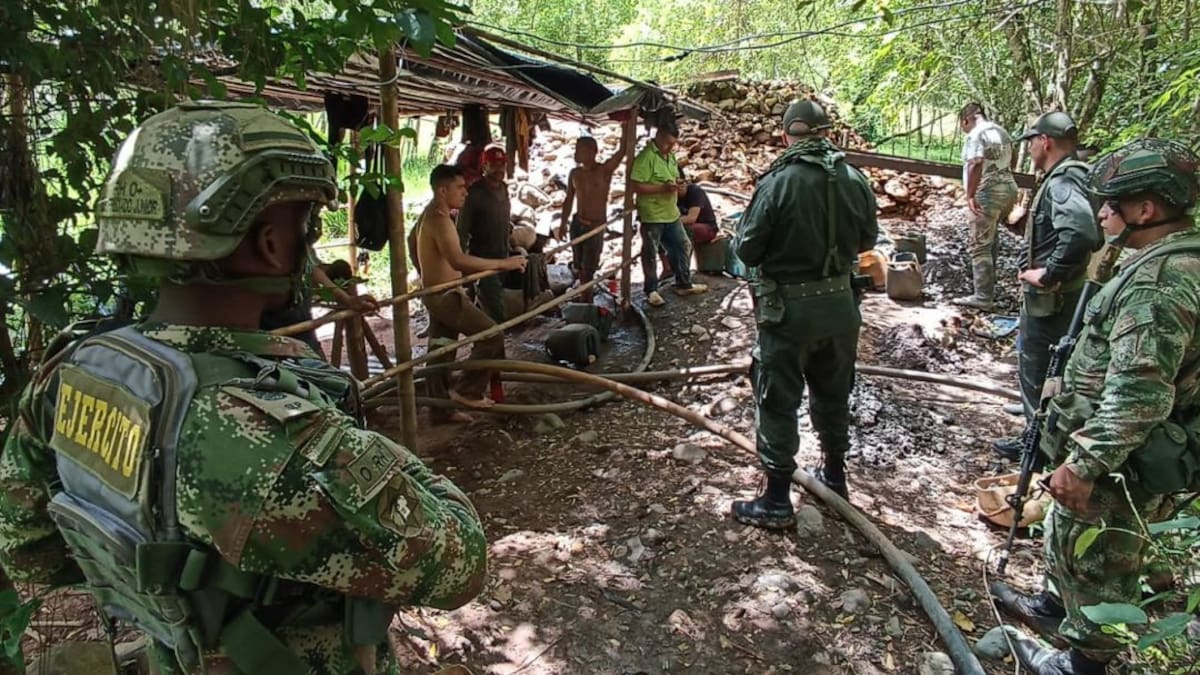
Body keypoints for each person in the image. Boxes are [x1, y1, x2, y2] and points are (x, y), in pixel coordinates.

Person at [0, 102, 487, 674]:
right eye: (304, 224)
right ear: (272, 245)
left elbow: (28, 543)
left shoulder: (77, 369)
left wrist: (178, 574)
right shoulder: (265, 436)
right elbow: (459, 560)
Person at [989, 138, 1200, 675]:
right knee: (1067, 535)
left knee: (1100, 557)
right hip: (1101, 440)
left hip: (1120, 458)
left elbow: (1141, 391)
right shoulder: (1158, 262)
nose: (1102, 213)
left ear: (1146, 210)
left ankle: (1080, 664)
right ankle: (1053, 607)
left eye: (1112, 204)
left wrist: (1084, 462)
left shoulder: (1159, 284)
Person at [730, 100, 879, 529]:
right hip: (841, 308)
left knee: (778, 398)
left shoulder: (778, 182)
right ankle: (834, 476)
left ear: (785, 137)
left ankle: (776, 501)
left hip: (789, 314)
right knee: (833, 394)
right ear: (828, 134)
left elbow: (747, 248)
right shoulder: (855, 177)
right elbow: (869, 237)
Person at [992, 112, 1101, 459]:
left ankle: (1036, 450)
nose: (1030, 148)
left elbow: (1083, 232)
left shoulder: (1062, 182)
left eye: (1031, 141)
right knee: (1051, 373)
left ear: (1046, 142)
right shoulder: (1070, 177)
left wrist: (1049, 273)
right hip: (1059, 298)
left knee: (1038, 371)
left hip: (1053, 300)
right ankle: (1040, 440)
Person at [416, 164, 527, 422]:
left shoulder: (433, 214)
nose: (466, 192)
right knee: (491, 335)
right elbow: (458, 260)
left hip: (440, 292)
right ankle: (467, 390)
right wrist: (502, 263)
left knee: (441, 351)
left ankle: (440, 411)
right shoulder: (439, 220)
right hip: (444, 296)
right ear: (442, 190)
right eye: (460, 187)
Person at [630, 124, 707, 307]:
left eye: (673, 144)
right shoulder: (646, 157)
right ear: (659, 137)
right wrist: (662, 188)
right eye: (667, 143)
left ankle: (683, 283)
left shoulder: (670, 156)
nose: (670, 147)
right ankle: (651, 290)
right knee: (650, 252)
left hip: (670, 212)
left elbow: (672, 179)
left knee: (682, 245)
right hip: (652, 214)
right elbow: (635, 186)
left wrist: (677, 186)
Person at [954, 102, 1019, 310]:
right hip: (1008, 188)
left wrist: (970, 194)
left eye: (962, 125)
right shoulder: (1001, 131)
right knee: (991, 239)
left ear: (966, 120)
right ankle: (990, 288)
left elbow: (975, 162)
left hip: (988, 190)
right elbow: (1014, 157)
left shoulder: (976, 134)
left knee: (979, 244)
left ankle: (983, 297)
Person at [260, 255, 378, 357]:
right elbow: (313, 270)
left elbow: (313, 270)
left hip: (297, 326)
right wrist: (347, 299)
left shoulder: (302, 251)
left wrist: (347, 299)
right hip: (278, 325)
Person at [557, 133, 627, 302]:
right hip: (578, 223)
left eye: (580, 150)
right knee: (579, 266)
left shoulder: (604, 170)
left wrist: (625, 126)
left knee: (588, 268)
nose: (576, 153)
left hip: (595, 226)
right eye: (576, 149)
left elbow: (622, 150)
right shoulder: (574, 173)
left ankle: (586, 301)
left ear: (592, 151)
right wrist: (563, 223)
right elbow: (569, 199)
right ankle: (585, 296)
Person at [457, 144, 512, 323]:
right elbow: (461, 231)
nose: (499, 169)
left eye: (502, 164)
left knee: (485, 308)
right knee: (496, 313)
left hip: (503, 255)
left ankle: (481, 343)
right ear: (484, 166)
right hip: (482, 261)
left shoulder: (504, 188)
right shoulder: (473, 194)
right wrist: (462, 264)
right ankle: (493, 346)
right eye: (494, 165)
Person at [677, 172, 719, 246]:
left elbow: (691, 218)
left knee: (681, 231)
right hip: (686, 225)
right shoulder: (669, 196)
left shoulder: (695, 191)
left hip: (707, 227)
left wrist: (669, 222)